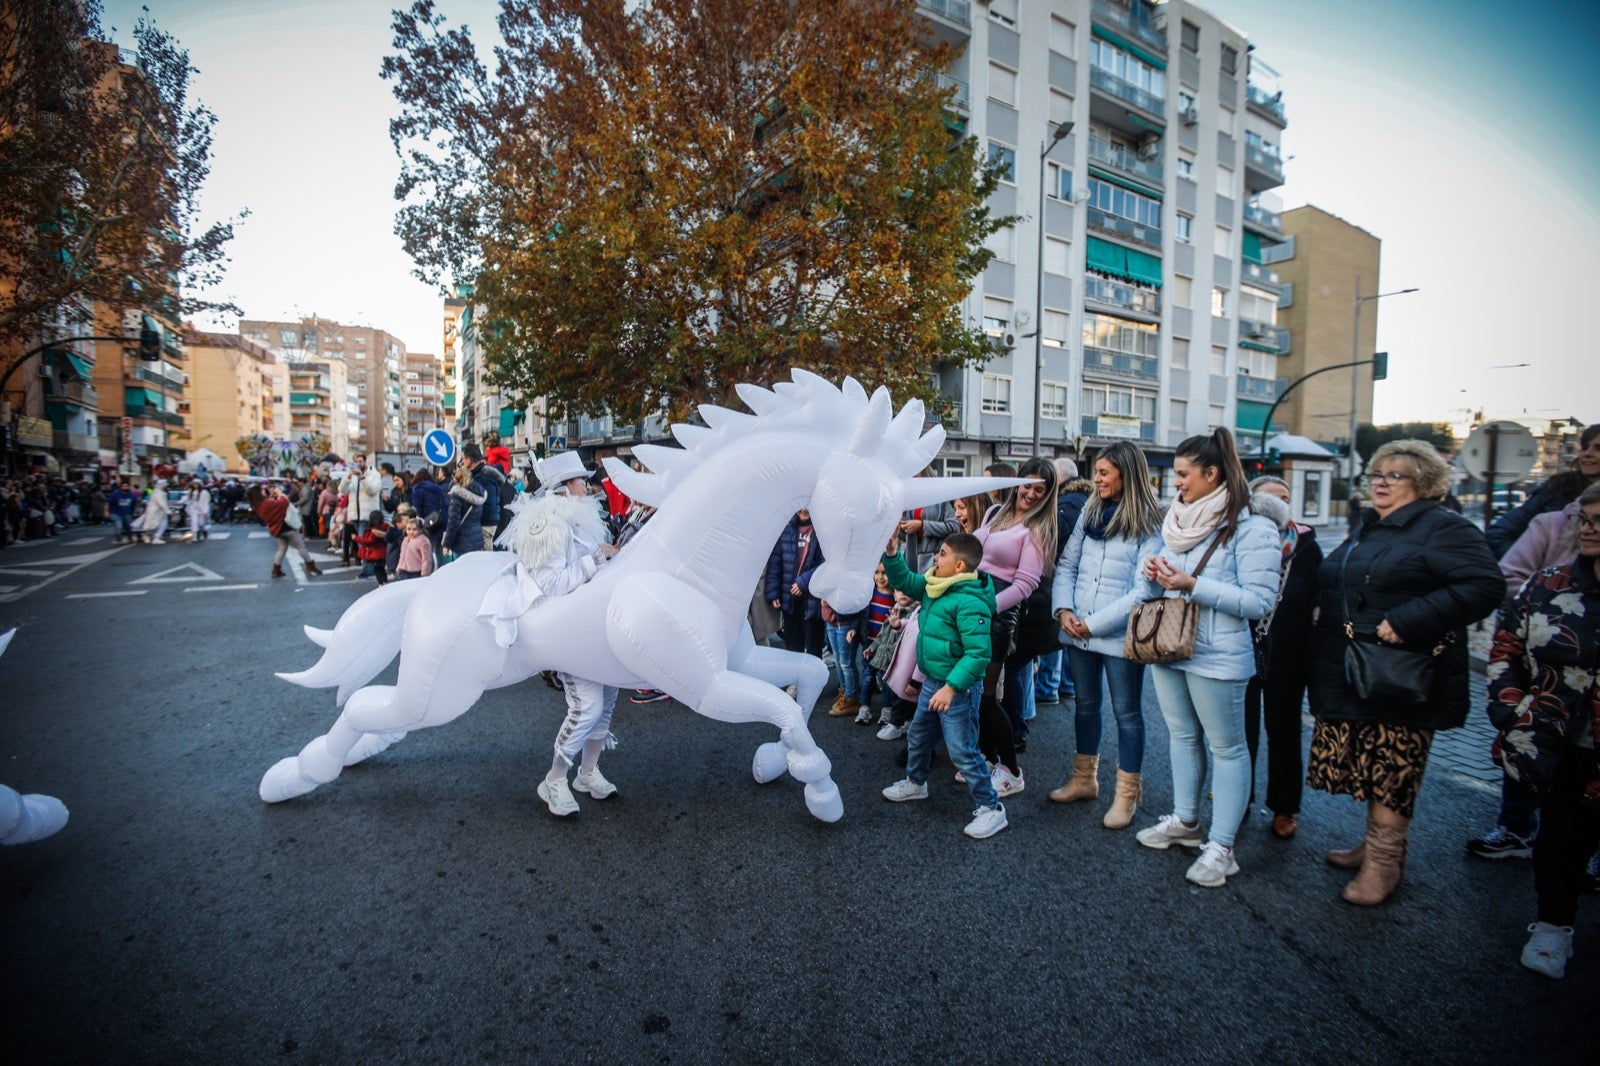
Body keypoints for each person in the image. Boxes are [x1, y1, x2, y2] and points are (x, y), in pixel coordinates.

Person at [1305, 440, 1503, 905]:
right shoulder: (1372, 526)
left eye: (1395, 476)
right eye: (1376, 473)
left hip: (1404, 672)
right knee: (1370, 764)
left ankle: (1383, 863)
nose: (1381, 482)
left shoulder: (1443, 527)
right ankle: (1374, 847)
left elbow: (1485, 584)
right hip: (1359, 667)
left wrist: (1411, 619)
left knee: (1394, 766)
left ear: (1426, 483)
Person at [1134, 428, 1281, 888]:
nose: (1176, 484)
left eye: (1183, 474)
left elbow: (1260, 602)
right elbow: (1163, 575)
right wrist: (1154, 571)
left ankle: (1222, 846)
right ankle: (1186, 820)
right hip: (1170, 644)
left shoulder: (1254, 526)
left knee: (1228, 748)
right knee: (1180, 736)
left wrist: (1193, 585)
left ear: (1212, 473)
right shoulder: (1174, 521)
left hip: (1219, 655)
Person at [1488, 482, 1600, 978]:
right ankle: (1554, 925)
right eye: (1584, 520)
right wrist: (1511, 709)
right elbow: (1507, 647)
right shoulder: (1550, 583)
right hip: (1560, 739)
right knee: (1560, 837)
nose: (1588, 530)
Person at [497, 450, 621, 817]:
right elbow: (549, 585)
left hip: (596, 628)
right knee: (587, 707)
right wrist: (595, 558)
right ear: (565, 488)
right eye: (582, 480)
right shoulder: (549, 526)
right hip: (568, 633)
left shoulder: (581, 522)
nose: (588, 485)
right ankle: (554, 779)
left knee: (607, 703)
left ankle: (589, 773)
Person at [1049, 442, 1163, 829]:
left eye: (1103, 473)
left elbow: (1144, 589)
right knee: (1085, 705)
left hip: (1117, 635)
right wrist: (1063, 609)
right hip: (1078, 626)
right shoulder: (1088, 511)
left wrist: (1093, 623)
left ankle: (1126, 796)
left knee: (1127, 714)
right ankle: (1084, 779)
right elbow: (1067, 564)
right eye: (1095, 472)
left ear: (1126, 475)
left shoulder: (1149, 522)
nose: (1096, 479)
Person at [880, 533, 1008, 840]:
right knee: (919, 735)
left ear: (959, 565)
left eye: (942, 553)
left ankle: (992, 809)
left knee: (963, 750)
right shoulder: (936, 584)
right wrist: (891, 552)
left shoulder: (969, 602)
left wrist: (951, 689)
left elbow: (978, 655)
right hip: (934, 682)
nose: (936, 558)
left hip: (957, 690)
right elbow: (908, 582)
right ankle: (916, 782)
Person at [1243, 475, 1323, 840]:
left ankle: (1284, 807)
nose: (1280, 503)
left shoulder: (1306, 544)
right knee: (1241, 731)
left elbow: (1319, 598)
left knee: (1285, 730)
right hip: (1241, 646)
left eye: (1285, 497)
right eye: (1271, 497)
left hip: (1289, 651)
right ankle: (1239, 798)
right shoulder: (1239, 535)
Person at [972, 457, 1057, 796]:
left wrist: (987, 606)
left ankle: (1011, 770)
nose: (1031, 494)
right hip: (973, 607)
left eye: (1041, 489)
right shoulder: (995, 513)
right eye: (1027, 485)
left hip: (997, 615)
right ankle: (988, 758)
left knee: (989, 696)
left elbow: (1024, 585)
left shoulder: (1038, 530)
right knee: (975, 692)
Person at [1485, 423, 1599, 559]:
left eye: (1598, 448)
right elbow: (1499, 533)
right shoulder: (1557, 489)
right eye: (1585, 447)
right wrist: (1534, 566)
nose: (1587, 454)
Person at [1036, 458, 1091, 707]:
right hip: (1080, 574)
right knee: (1070, 628)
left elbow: (1054, 538)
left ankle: (1050, 686)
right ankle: (1066, 684)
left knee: (1056, 626)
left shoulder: (1067, 503)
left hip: (1064, 572)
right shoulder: (1084, 499)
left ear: (1059, 478)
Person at [765, 509, 826, 659]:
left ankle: (814, 681)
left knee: (813, 647)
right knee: (792, 645)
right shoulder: (786, 528)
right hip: (790, 597)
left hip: (813, 599)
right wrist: (774, 593)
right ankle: (796, 680)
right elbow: (776, 561)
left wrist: (803, 582)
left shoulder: (823, 529)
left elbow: (826, 563)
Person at [247, 484, 323, 580]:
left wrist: (274, 496)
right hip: (286, 527)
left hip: (276, 529)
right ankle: (310, 565)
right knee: (301, 546)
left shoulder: (258, 505)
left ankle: (276, 569)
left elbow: (274, 505)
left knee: (282, 549)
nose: (264, 491)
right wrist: (280, 493)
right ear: (258, 493)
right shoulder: (266, 503)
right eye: (262, 490)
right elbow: (284, 502)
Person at [442, 463, 487, 561]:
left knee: (461, 573)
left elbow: (453, 522)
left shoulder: (457, 496)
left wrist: (447, 544)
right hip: (476, 539)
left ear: (456, 480)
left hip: (461, 542)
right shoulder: (479, 492)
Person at [354, 511, 391, 585]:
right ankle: (385, 581)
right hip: (384, 552)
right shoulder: (385, 526)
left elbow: (369, 541)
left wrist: (356, 538)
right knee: (381, 568)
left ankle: (381, 583)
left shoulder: (374, 530)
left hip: (376, 553)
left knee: (377, 569)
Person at [135, 478, 170, 544]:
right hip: (155, 511)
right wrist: (168, 511)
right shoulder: (157, 493)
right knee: (151, 525)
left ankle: (155, 537)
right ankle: (148, 536)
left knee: (159, 524)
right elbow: (161, 503)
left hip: (159, 512)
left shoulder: (160, 492)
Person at [106, 480, 138, 544]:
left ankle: (130, 538)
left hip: (127, 513)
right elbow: (107, 503)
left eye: (126, 486)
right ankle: (119, 539)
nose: (125, 487)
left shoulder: (131, 495)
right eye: (123, 486)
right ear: (120, 487)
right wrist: (106, 511)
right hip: (116, 513)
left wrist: (133, 512)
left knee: (129, 527)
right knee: (119, 526)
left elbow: (134, 504)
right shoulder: (115, 494)